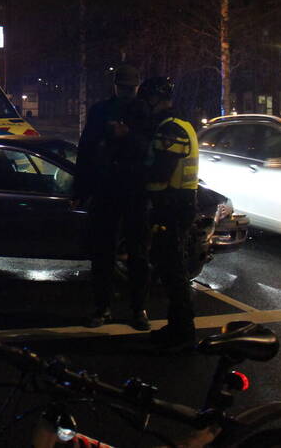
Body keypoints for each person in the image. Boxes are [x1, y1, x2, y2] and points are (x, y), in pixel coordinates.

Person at [76, 64, 152, 331]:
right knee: (109, 253)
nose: (127, 92)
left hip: (125, 189)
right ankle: (115, 308)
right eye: (125, 87)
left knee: (131, 254)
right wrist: (80, 189)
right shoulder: (121, 111)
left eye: (129, 88)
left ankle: (128, 309)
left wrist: (126, 135)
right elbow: (86, 149)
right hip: (117, 189)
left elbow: (148, 148)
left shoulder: (136, 111)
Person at [139, 77, 200, 353]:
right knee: (172, 268)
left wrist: (135, 175)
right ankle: (178, 327)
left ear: (155, 99)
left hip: (171, 206)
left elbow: (161, 172)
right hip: (178, 204)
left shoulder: (171, 129)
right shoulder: (180, 124)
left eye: (147, 100)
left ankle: (183, 331)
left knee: (173, 271)